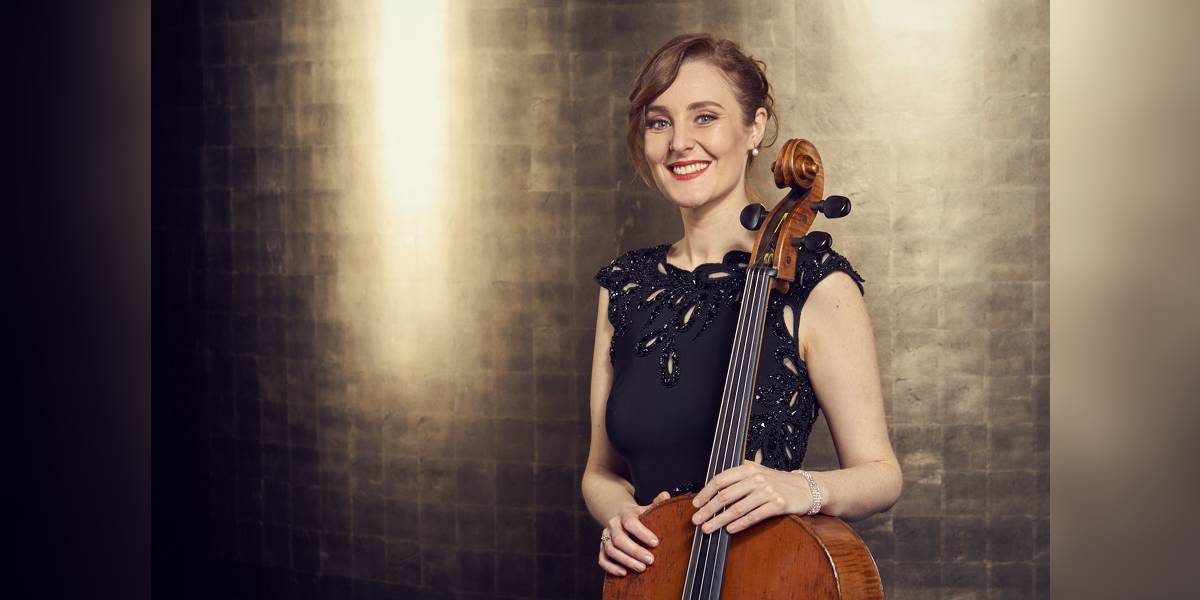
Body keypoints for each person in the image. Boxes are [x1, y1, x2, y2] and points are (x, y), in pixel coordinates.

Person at [579, 33, 903, 579]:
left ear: (754, 127)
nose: (680, 142)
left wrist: (799, 488)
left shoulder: (817, 285)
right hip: (652, 580)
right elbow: (600, 473)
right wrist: (620, 516)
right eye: (659, 122)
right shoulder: (626, 285)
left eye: (705, 117)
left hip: (767, 578)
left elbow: (881, 474)